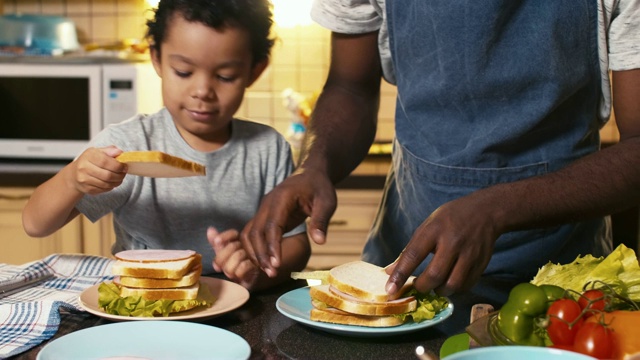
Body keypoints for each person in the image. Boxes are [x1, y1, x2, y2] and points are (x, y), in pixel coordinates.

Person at [240, 0, 640, 297]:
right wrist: (315, 165)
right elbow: (350, 85)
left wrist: (496, 209)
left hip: (561, 280)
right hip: (404, 268)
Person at [21, 0, 310, 292]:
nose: (202, 91)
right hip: (144, 301)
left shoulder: (268, 149)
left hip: (241, 304)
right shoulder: (128, 144)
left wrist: (256, 270)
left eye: (225, 77)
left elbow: (296, 244)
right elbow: (35, 224)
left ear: (255, 71)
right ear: (156, 59)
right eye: (184, 72)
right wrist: (73, 178)